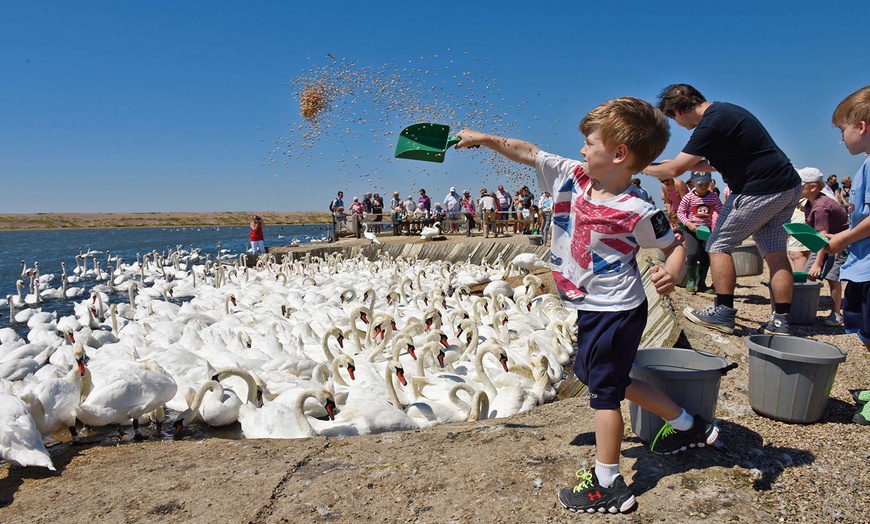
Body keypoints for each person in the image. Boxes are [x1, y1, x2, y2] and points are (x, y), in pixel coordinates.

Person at [457, 96, 718, 514]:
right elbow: (527, 152)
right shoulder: (571, 175)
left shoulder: (638, 210)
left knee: (604, 396)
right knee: (605, 378)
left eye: (589, 142)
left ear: (618, 154)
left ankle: (608, 483)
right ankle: (686, 424)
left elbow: (676, 245)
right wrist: (484, 139)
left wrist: (672, 271)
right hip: (590, 305)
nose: (580, 149)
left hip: (616, 309)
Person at [643, 84, 802, 335]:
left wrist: (637, 166)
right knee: (775, 252)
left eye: (673, 119)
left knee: (717, 245)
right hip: (787, 186)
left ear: (677, 110)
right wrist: (666, 165)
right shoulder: (726, 113)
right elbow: (713, 165)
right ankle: (781, 320)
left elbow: (673, 171)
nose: (678, 125)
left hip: (760, 188)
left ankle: (723, 313)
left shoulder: (710, 123)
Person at [825, 85, 870, 425]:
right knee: (863, 330)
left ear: (862, 126)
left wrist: (842, 238)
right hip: (860, 265)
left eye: (843, 131)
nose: (843, 139)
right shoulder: (864, 166)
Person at [798, 167, 848, 326]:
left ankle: (836, 313)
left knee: (832, 276)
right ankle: (805, 309)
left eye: (799, 185)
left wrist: (818, 263)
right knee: (808, 275)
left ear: (812, 187)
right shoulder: (808, 204)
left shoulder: (821, 206)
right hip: (823, 243)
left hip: (839, 243)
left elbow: (822, 236)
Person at [677, 172, 723, 293]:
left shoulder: (713, 197)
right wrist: (688, 224)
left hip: (706, 231)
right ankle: (691, 280)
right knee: (692, 254)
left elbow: (721, 211)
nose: (704, 186)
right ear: (693, 182)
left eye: (706, 183)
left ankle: (701, 283)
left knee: (705, 256)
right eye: (700, 183)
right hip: (691, 230)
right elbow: (680, 212)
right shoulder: (688, 197)